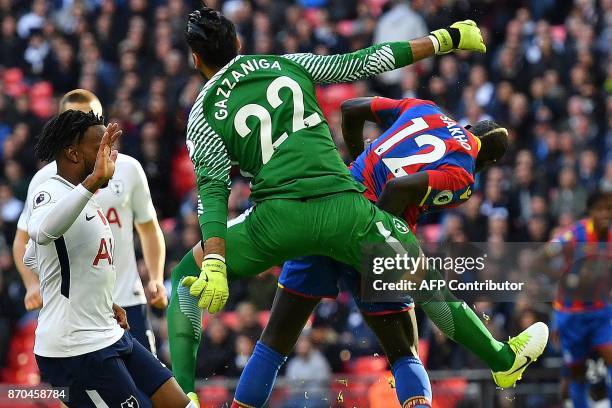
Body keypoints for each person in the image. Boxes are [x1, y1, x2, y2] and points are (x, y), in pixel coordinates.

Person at [168, 6, 487, 406]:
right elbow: (365, 61)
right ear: (239, 44)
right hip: (349, 210)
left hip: (280, 222)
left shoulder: (201, 112)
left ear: (195, 60)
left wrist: (214, 261)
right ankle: (498, 356)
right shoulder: (286, 63)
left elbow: (213, 193)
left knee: (217, 302)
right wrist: (445, 40)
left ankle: (183, 396)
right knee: (409, 334)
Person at [231, 97, 549, 407]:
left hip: (327, 206)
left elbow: (350, 109)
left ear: (468, 125)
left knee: (272, 342)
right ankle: (502, 360)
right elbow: (399, 189)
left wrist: (357, 172)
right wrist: (371, 237)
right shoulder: (464, 175)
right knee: (411, 338)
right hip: (366, 226)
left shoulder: (424, 108)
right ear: (489, 163)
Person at [24, 110, 192, 408]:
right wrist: (91, 183)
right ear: (73, 154)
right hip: (77, 347)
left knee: (179, 402)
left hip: (108, 329)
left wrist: (98, 298)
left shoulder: (82, 195)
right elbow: (40, 233)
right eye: (100, 147)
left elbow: (33, 259)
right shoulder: (49, 190)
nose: (110, 154)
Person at [12, 89, 167, 353]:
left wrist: (156, 278)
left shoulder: (128, 168)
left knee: (150, 387)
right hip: (74, 307)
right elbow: (23, 239)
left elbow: (149, 227)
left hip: (126, 298)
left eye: (92, 118)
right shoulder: (45, 180)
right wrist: (31, 285)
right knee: (79, 391)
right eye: (75, 119)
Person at [536, 189, 611, 408]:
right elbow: (537, 260)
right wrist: (564, 279)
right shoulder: (574, 235)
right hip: (571, 315)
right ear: (590, 212)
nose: (606, 214)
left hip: (601, 311)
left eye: (609, 209)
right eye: (600, 209)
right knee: (577, 374)